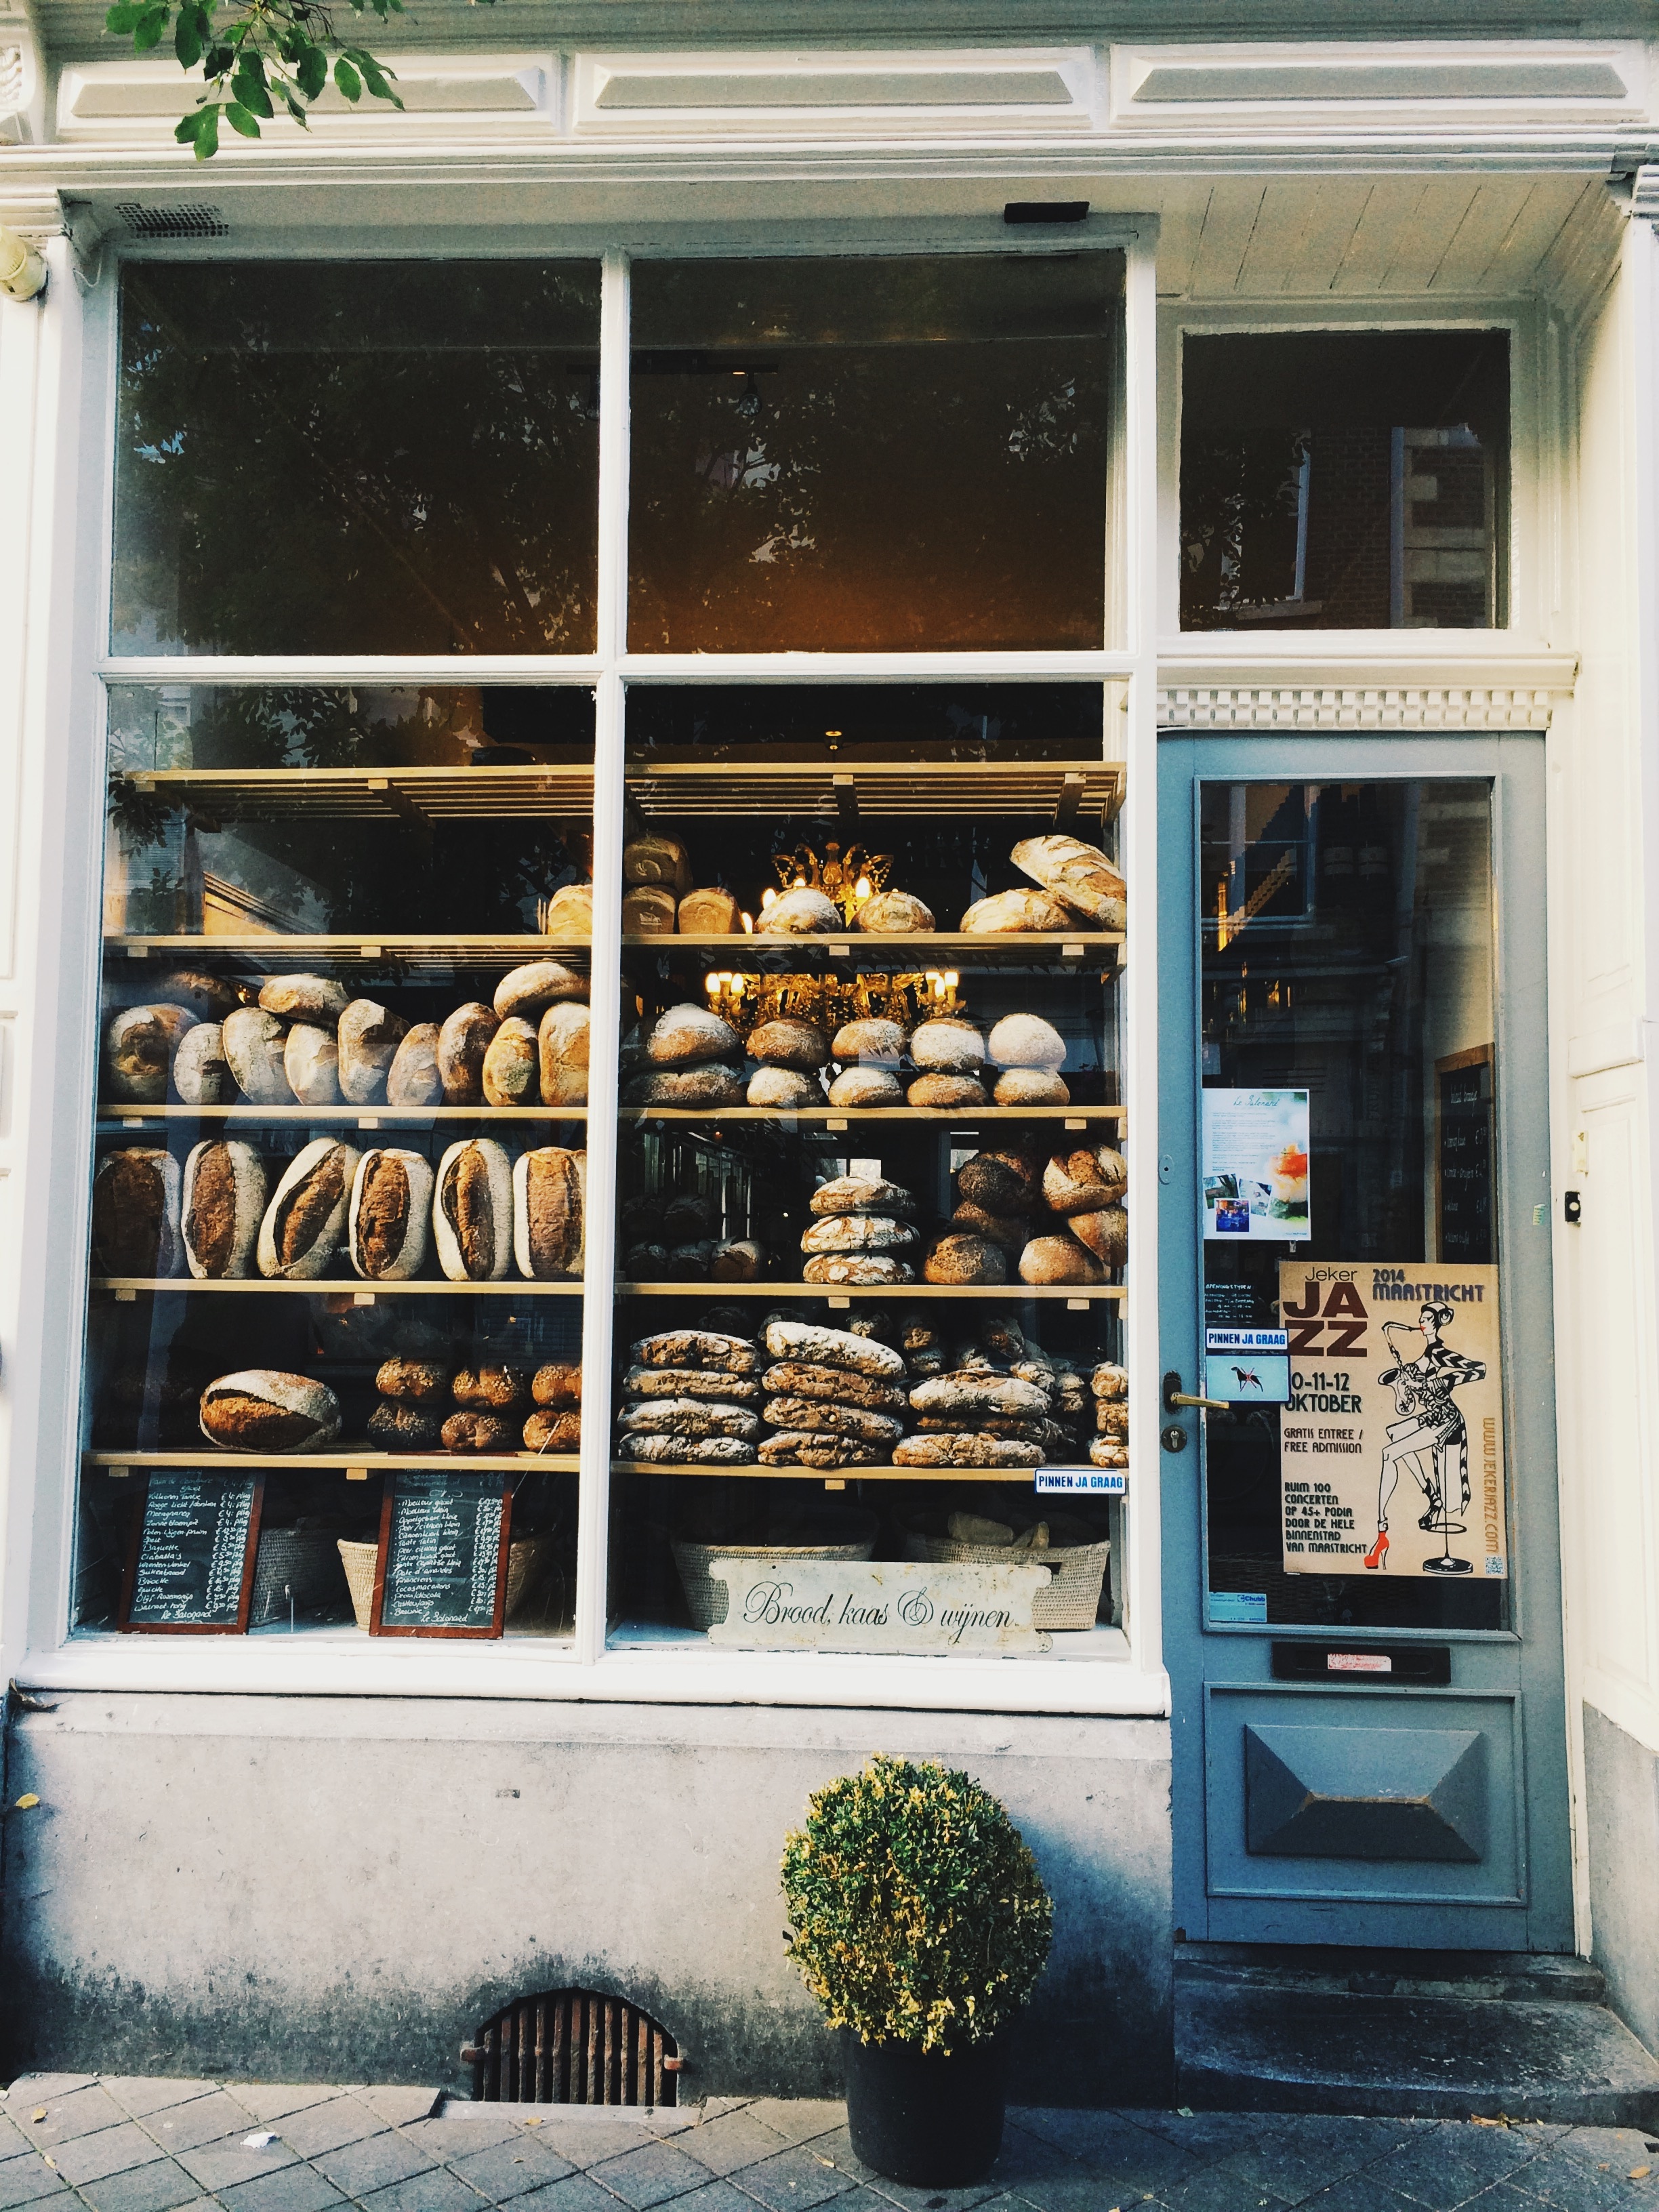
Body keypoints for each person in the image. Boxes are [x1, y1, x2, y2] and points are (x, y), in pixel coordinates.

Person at [1362, 1301, 1486, 1570]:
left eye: (1427, 1317)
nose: (1421, 1320)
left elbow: (1479, 1369)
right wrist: (1404, 1383)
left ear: (1438, 1322)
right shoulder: (1425, 1353)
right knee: (1394, 1434)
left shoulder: (1440, 1353)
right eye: (1421, 1316)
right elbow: (1407, 1403)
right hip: (1432, 1417)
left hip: (1447, 1421)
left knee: (1389, 1454)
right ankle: (1431, 1494)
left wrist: (1442, 1382)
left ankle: (1381, 1532)